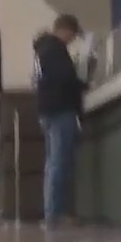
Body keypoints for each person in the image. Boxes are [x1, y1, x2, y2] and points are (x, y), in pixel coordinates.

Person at [32, 14, 86, 229]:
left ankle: (52, 213)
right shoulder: (54, 49)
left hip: (46, 111)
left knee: (53, 164)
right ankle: (55, 215)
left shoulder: (42, 49)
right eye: (72, 35)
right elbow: (65, 78)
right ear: (65, 30)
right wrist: (82, 85)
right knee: (59, 164)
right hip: (59, 110)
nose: (72, 40)